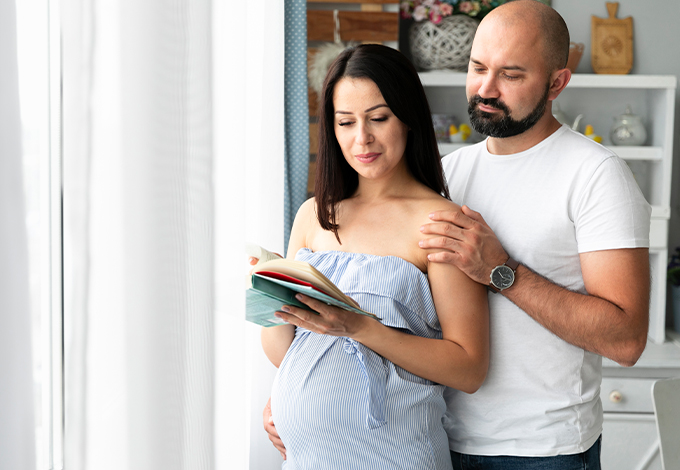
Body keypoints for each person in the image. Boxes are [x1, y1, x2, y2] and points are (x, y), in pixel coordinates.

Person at [267, 1, 652, 469]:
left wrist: (501, 271)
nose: (487, 89)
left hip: (537, 449)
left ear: (557, 82)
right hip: (441, 433)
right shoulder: (452, 174)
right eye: (477, 67)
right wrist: (292, 398)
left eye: (511, 75)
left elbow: (627, 341)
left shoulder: (595, 175)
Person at [260, 43, 489, 469]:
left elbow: (469, 369)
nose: (361, 138)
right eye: (345, 122)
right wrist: (274, 300)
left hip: (397, 454)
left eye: (378, 118)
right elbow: (287, 354)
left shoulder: (439, 221)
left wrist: (358, 327)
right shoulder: (314, 214)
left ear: (407, 118)